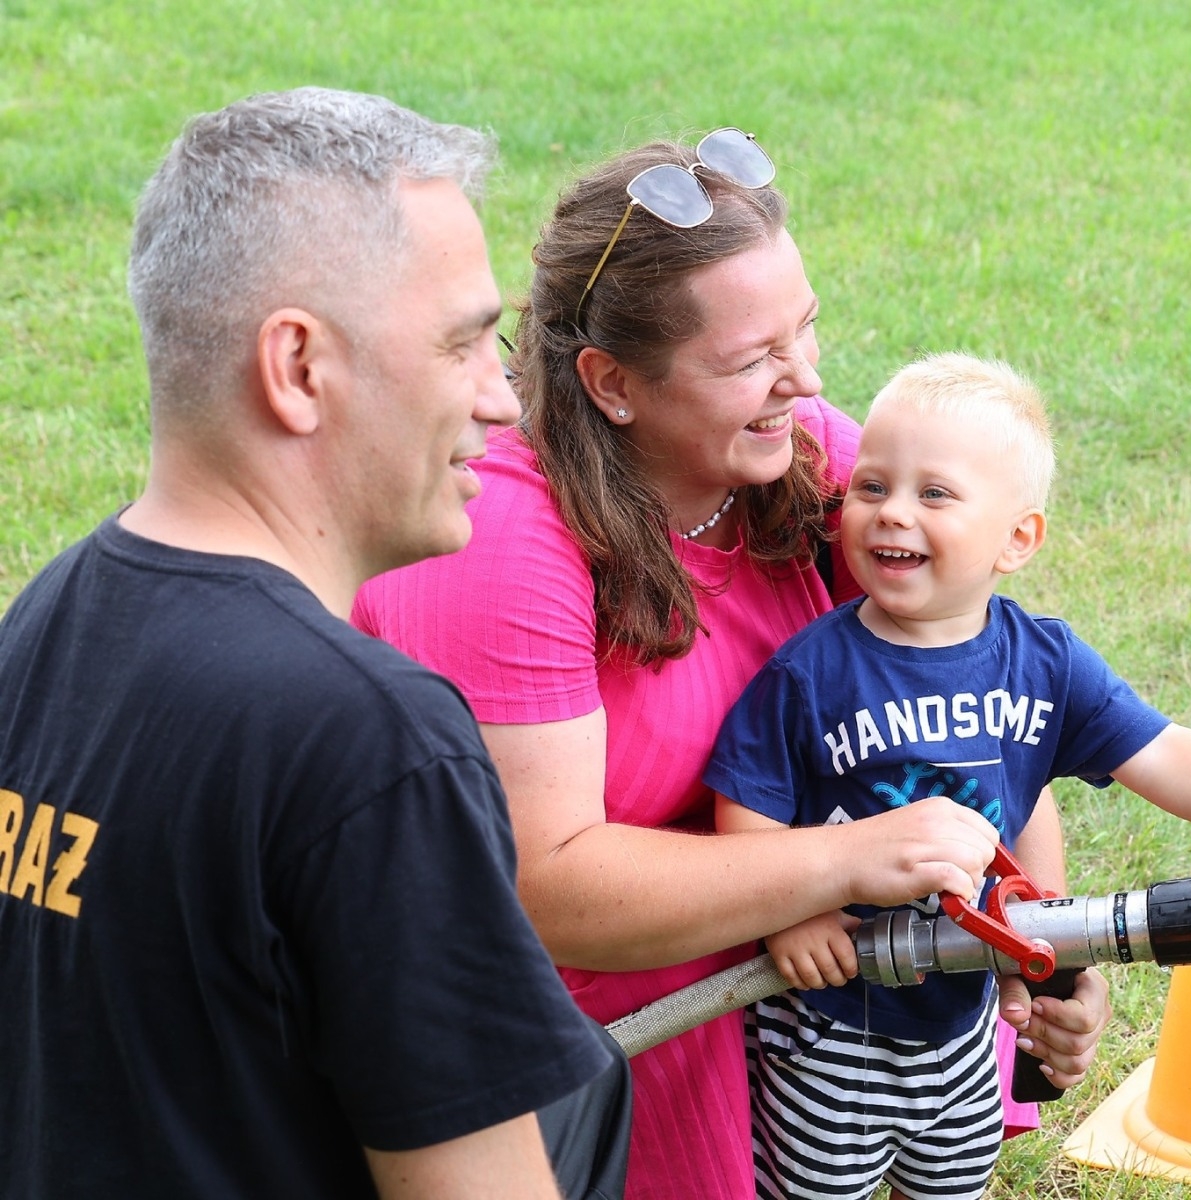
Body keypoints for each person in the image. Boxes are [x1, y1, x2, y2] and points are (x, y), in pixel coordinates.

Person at [351, 130, 1107, 1199]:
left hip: (801, 964)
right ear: (614, 383)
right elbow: (544, 890)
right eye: (753, 360)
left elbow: (979, 692)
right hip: (586, 1017)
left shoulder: (807, 454)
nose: (807, 379)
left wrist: (1042, 939)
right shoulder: (504, 544)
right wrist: (843, 863)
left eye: (805, 329)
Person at [0, 88, 627, 1200]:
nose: (502, 402)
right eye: (462, 344)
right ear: (297, 368)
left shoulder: (41, 624)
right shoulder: (370, 741)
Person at [705, 353, 1191, 1200]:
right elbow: (747, 799)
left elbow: (1159, 750)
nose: (892, 511)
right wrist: (794, 914)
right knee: (815, 1188)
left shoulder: (1044, 665)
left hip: (965, 1020)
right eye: (872, 485)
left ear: (1017, 538)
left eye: (934, 494)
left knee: (951, 1181)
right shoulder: (811, 672)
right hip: (832, 1025)